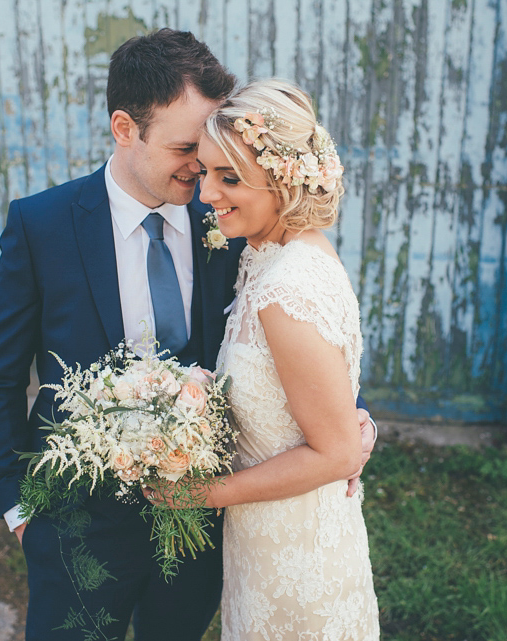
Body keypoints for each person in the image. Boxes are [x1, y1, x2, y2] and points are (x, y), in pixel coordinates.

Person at [0, 30, 376, 641]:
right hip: (76, 520)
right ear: (125, 129)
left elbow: (293, 338)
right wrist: (19, 506)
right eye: (187, 147)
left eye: (214, 151)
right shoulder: (42, 224)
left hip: (201, 526)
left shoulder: (231, 218)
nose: (203, 169)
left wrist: (353, 421)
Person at [148, 78, 380, 640]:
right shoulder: (276, 254)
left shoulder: (285, 289)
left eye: (230, 178)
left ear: (283, 181)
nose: (206, 193)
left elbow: (335, 451)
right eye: (204, 171)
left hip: (296, 556)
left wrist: (202, 495)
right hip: (268, 536)